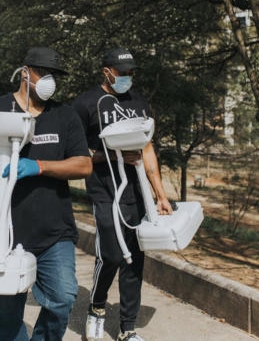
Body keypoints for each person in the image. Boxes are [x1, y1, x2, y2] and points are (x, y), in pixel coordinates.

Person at [0, 47, 92, 341]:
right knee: (7, 320)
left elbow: (84, 165)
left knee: (63, 298)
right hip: (2, 235)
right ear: (25, 73)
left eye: (55, 75)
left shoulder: (65, 115)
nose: (50, 80)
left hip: (54, 233)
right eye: (44, 73)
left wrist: (39, 166)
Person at [72, 47, 173, 341]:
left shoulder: (139, 102)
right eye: (123, 73)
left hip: (137, 192)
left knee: (135, 260)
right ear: (107, 72)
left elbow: (147, 148)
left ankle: (127, 328)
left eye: (131, 72)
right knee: (113, 255)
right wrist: (113, 157)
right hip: (105, 191)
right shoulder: (85, 104)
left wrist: (160, 195)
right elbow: (77, 154)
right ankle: (97, 307)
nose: (128, 77)